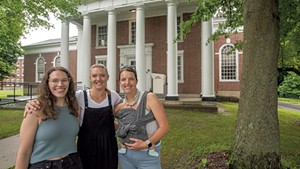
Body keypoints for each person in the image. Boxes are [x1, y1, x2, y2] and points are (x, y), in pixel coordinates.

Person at [24, 64, 122, 169]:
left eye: (102, 75)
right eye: (94, 76)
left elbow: (123, 115)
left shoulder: (114, 96)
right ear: (90, 78)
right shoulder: (79, 96)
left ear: (107, 77)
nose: (98, 79)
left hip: (108, 146)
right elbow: (58, 95)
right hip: (86, 146)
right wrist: (32, 103)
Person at [15, 66, 83, 169]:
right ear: (47, 83)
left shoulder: (75, 107)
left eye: (64, 80)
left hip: (73, 162)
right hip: (44, 165)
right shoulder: (35, 109)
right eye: (55, 81)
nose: (60, 84)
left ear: (69, 82)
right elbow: (24, 152)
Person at [115, 66, 169, 169]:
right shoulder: (120, 106)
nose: (127, 82)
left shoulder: (149, 98)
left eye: (131, 79)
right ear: (120, 82)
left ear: (136, 81)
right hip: (125, 156)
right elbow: (121, 127)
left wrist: (146, 144)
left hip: (148, 155)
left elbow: (164, 127)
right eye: (123, 79)